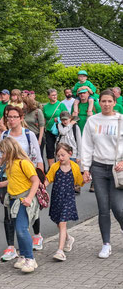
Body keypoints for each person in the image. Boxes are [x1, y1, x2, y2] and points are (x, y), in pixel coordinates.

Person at [0, 106, 44, 260]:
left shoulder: (29, 135)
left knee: (30, 208)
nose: (11, 120)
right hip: (10, 177)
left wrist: (41, 179)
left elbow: (38, 158)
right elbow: (1, 155)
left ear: (21, 118)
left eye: (14, 117)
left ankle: (37, 235)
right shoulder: (5, 135)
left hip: (27, 177)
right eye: (8, 117)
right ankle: (11, 247)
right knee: (8, 211)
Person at [82, 89, 123, 259]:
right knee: (103, 208)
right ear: (98, 102)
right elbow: (86, 145)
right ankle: (106, 244)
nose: (106, 104)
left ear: (115, 102)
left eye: (109, 101)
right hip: (98, 168)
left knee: (118, 208)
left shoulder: (120, 120)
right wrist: (85, 168)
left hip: (116, 169)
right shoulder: (92, 121)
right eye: (103, 101)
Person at [0, 137, 40, 273]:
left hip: (23, 200)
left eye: (3, 152)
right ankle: (24, 256)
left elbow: (35, 181)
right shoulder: (10, 164)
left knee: (21, 229)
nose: (2, 155)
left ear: (10, 150)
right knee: (18, 230)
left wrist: (30, 198)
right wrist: (2, 184)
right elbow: (14, 180)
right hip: (13, 200)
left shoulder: (24, 163)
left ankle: (31, 259)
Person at [46, 143, 83, 261]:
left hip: (68, 198)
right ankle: (68, 238)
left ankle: (60, 251)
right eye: (58, 156)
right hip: (57, 198)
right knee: (58, 222)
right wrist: (41, 188)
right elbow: (48, 179)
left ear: (70, 154)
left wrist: (85, 180)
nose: (60, 158)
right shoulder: (55, 167)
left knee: (62, 223)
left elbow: (79, 182)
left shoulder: (75, 167)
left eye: (63, 155)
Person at [43, 89, 68, 167]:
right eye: (53, 95)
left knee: (61, 148)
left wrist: (59, 119)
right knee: (49, 149)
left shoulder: (61, 105)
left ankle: (62, 166)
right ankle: (52, 168)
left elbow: (67, 116)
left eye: (56, 95)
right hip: (49, 130)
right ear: (48, 96)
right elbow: (44, 118)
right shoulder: (45, 106)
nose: (55, 96)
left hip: (60, 130)